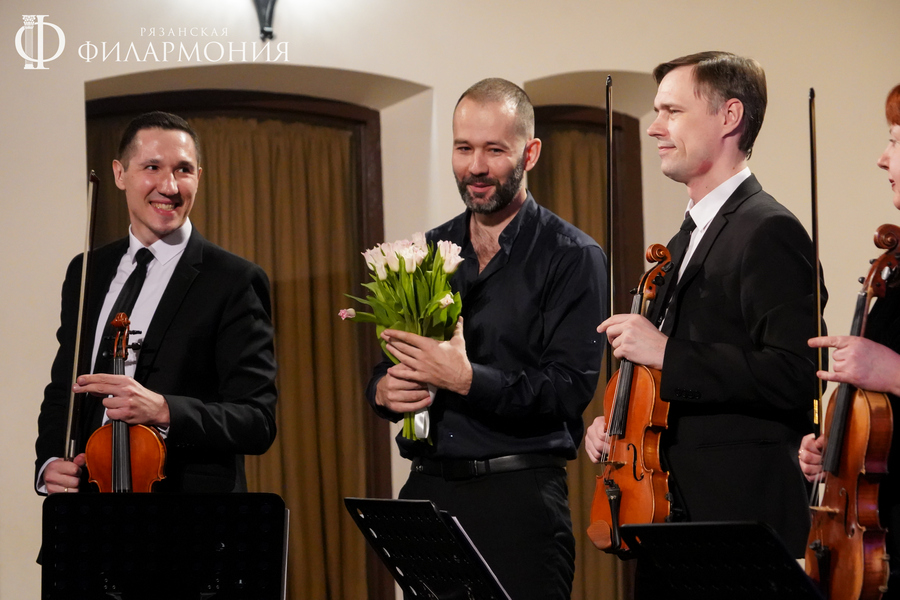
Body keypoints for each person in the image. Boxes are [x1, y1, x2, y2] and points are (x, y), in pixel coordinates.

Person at [365, 78, 607, 599]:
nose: (475, 166)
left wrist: (467, 378)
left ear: (530, 153)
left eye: (494, 150)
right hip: (426, 493)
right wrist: (383, 391)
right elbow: (389, 363)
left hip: (518, 502)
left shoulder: (573, 256)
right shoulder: (428, 249)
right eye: (463, 148)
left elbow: (568, 390)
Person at [584, 51, 822, 557]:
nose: (655, 127)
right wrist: (620, 425)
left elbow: (795, 374)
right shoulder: (681, 241)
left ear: (729, 116)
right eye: (657, 111)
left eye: (672, 111)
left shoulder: (770, 231)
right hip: (670, 516)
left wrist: (667, 352)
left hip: (740, 522)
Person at [35, 111, 277, 495]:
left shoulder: (233, 280)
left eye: (184, 170)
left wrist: (164, 409)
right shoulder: (86, 271)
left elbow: (257, 421)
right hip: (89, 504)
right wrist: (49, 462)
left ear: (199, 176)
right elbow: (65, 388)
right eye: (152, 167)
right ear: (120, 174)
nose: (169, 186)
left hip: (188, 514)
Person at [799, 83, 900, 597]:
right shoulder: (896, 274)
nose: (883, 158)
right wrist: (837, 453)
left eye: (896, 140)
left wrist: (894, 372)